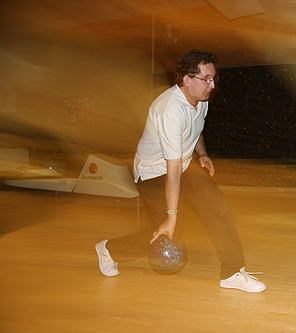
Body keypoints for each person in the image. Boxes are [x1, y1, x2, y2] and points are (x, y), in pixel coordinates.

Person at [95, 50, 265, 293]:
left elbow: (195, 131)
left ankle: (232, 273)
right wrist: (171, 216)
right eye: (206, 79)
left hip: (184, 166)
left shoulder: (200, 100)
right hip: (154, 173)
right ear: (187, 79)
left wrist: (203, 154)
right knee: (167, 233)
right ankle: (109, 249)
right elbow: (171, 168)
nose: (212, 85)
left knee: (217, 207)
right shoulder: (169, 110)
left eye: (214, 78)